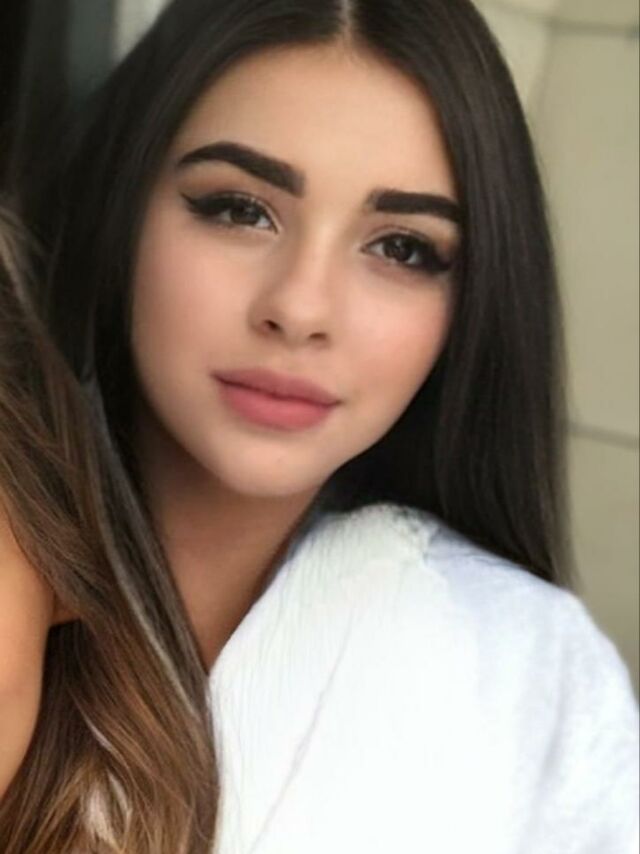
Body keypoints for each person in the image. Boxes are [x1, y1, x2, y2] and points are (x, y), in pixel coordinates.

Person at [10, 0, 639, 851]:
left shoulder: (531, 674)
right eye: (239, 208)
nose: (301, 308)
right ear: (122, 206)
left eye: (402, 248)